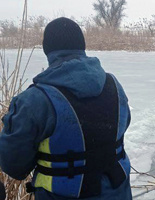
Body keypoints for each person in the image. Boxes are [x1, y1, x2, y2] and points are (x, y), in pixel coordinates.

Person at [0, 17, 132, 200]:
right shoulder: (114, 86)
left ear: (47, 50)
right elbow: (123, 127)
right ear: (82, 45)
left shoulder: (33, 100)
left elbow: (13, 165)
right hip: (119, 194)